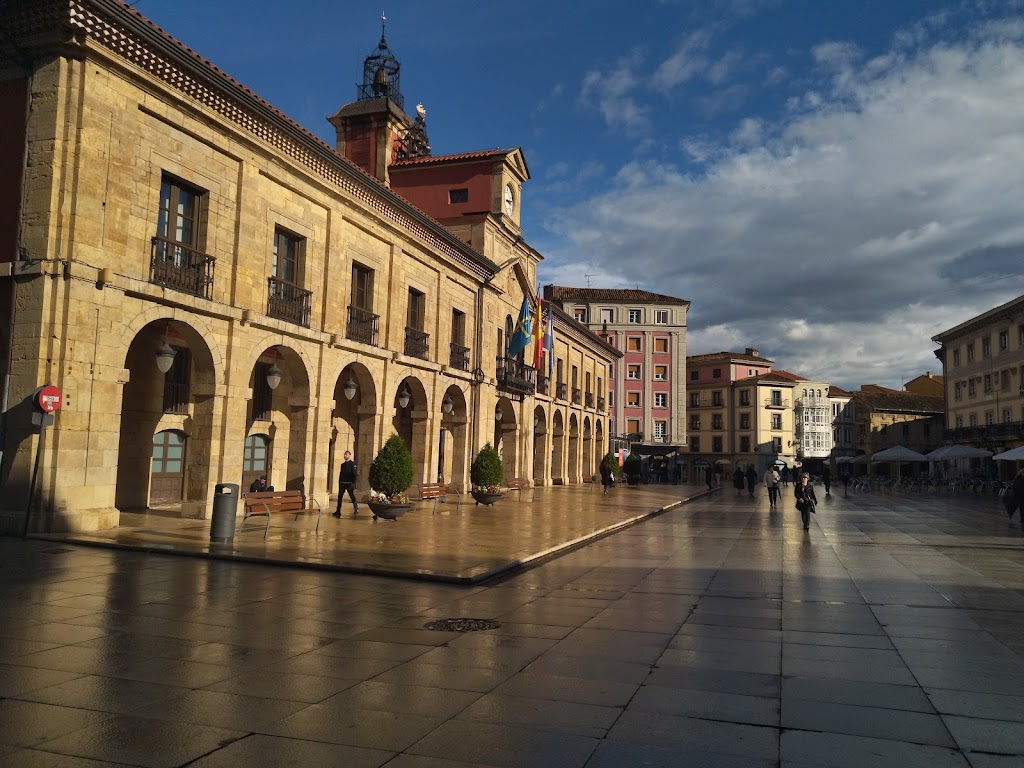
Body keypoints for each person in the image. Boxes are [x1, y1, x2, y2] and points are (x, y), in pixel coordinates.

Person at [333, 450, 359, 517]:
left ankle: (356, 508)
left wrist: (353, 483)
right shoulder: (343, 465)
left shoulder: (352, 464)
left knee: (352, 496)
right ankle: (338, 510)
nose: (345, 456)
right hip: (342, 483)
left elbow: (354, 474)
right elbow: (341, 474)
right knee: (340, 497)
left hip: (349, 483)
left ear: (349, 455)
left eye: (346, 454)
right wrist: (339, 482)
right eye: (344, 454)